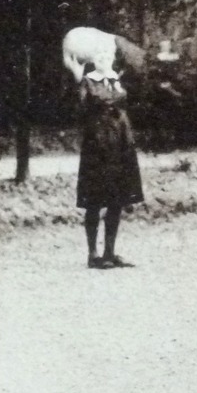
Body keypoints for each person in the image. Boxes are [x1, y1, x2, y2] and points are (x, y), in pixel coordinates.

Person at [76, 47, 144, 269]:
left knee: (116, 199)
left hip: (120, 143)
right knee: (94, 200)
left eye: (107, 57)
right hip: (98, 144)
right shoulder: (88, 82)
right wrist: (113, 93)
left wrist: (115, 89)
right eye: (99, 57)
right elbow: (86, 105)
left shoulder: (116, 80)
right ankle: (93, 254)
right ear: (92, 61)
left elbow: (125, 100)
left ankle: (110, 252)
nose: (104, 60)